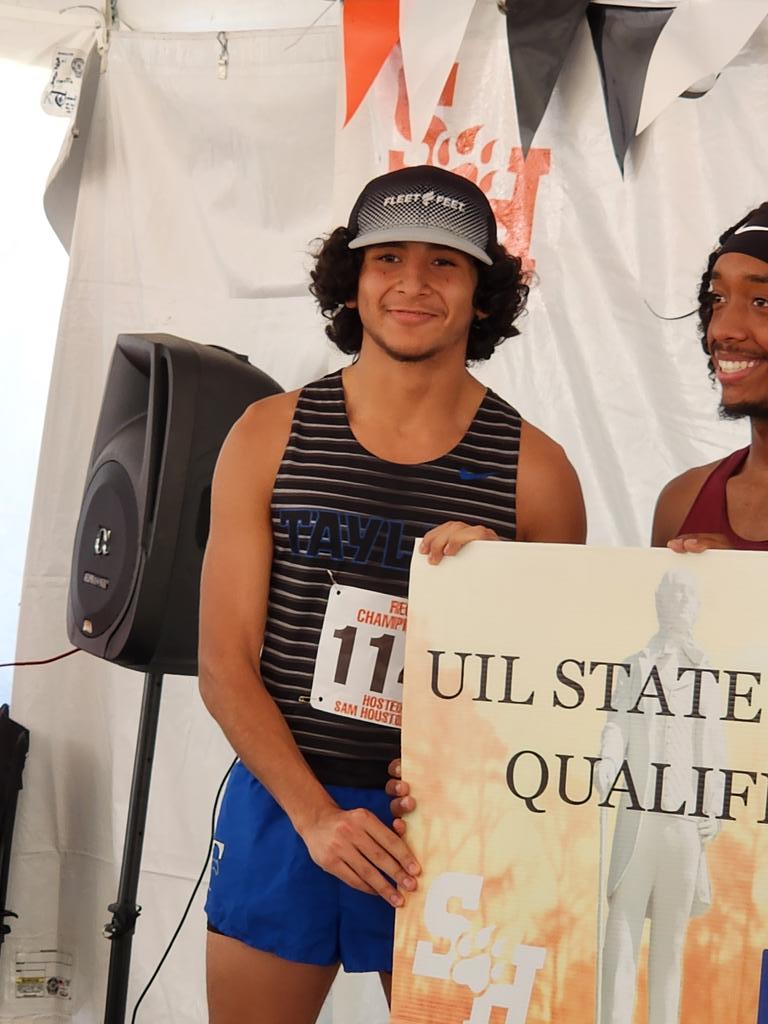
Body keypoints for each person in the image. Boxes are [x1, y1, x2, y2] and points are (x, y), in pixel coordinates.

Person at [198, 163, 586, 1024]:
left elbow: (557, 704)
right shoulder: (268, 434)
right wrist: (314, 818)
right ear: (354, 280)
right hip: (286, 802)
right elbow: (223, 662)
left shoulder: (538, 474)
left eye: (445, 264)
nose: (412, 282)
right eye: (387, 259)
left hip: (450, 826)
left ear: (484, 294)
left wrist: (504, 588)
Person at [597, 569, 726, 1024]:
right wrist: (607, 761)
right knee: (622, 931)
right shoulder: (637, 664)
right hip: (640, 817)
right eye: (674, 595)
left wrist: (716, 809)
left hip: (685, 826)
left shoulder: (708, 670)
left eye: (689, 595)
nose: (682, 603)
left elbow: (714, 744)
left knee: (670, 944)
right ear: (660, 603)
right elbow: (617, 722)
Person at [652, 202, 768, 553]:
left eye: (762, 302)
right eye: (718, 299)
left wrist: (742, 583)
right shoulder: (682, 502)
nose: (723, 329)